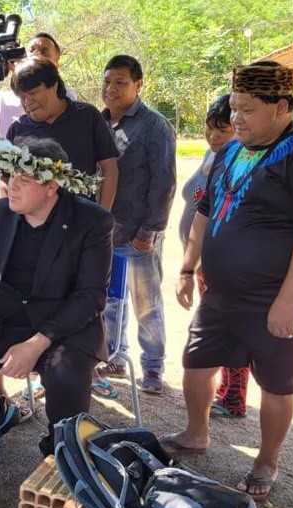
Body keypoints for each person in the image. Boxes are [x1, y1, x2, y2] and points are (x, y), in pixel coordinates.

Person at [165, 61, 293, 501]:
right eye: (234, 108)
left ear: (281, 107)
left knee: (277, 382)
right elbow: (203, 212)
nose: (235, 118)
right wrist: (187, 268)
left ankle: (266, 461)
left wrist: (287, 302)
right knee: (196, 363)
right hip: (219, 294)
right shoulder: (230, 150)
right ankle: (196, 433)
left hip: (273, 298)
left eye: (247, 110)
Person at [0, 135, 112, 457]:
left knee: (67, 379)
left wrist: (37, 343)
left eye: (24, 179)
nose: (12, 185)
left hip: (66, 327)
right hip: (6, 318)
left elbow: (89, 296)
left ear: (52, 185)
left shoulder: (91, 221)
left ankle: (61, 449)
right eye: (11, 175)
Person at [97, 55, 177, 395]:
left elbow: (164, 181)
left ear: (138, 85)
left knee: (147, 304)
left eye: (120, 82)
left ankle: (153, 368)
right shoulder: (99, 122)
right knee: (110, 301)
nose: (111, 89)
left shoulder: (154, 125)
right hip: (106, 231)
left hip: (139, 233)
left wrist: (149, 231)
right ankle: (115, 356)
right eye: (107, 82)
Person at [177, 94, 250, 419]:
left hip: (225, 264)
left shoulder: (243, 163)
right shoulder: (213, 155)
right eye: (210, 127)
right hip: (204, 262)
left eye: (222, 129)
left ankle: (233, 397)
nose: (213, 135)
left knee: (230, 330)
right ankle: (225, 391)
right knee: (215, 330)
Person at [7, 57, 119, 209]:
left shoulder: (87, 116)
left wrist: (103, 214)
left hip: (81, 216)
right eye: (22, 97)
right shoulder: (17, 129)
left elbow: (109, 167)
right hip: (33, 219)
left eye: (32, 93)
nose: (27, 102)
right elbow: (4, 179)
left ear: (54, 85)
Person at [0, 33, 77, 141]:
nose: (36, 55)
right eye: (31, 51)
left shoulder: (67, 96)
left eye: (43, 52)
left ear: (56, 65)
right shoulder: (1, 100)